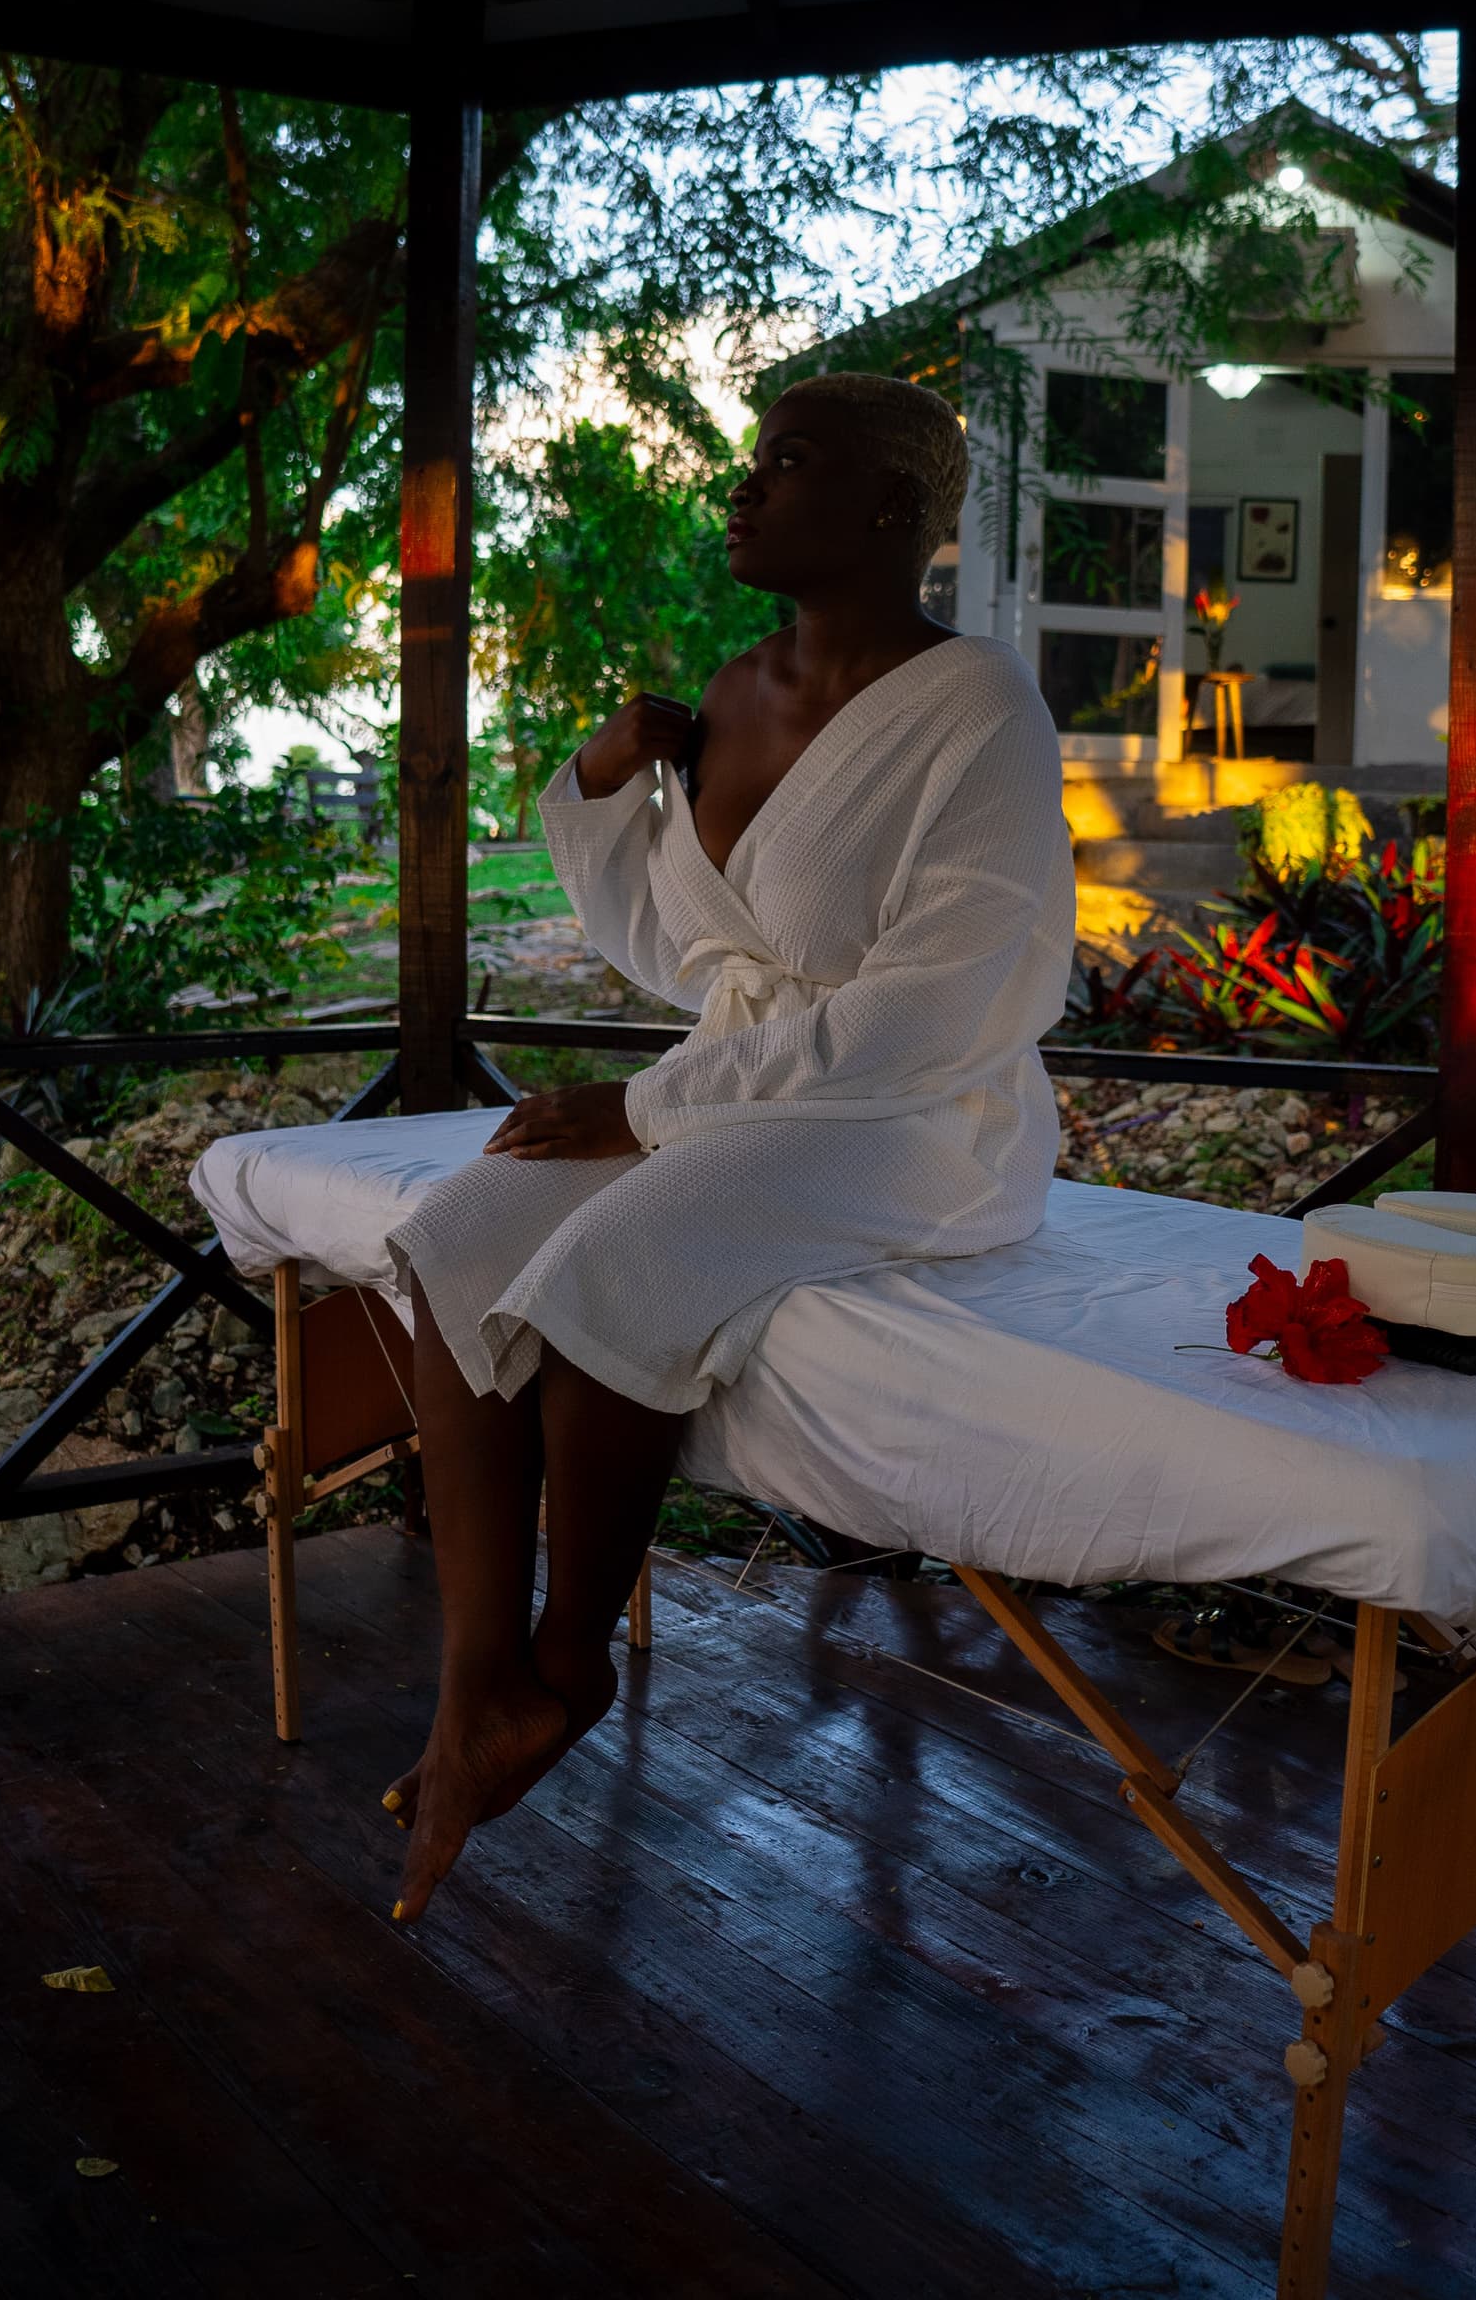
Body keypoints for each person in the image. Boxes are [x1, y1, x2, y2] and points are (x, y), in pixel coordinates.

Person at [380, 371, 1077, 1919]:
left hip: (914, 1113)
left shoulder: (982, 713)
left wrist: (642, 1112)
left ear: (894, 510)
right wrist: (613, 774)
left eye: (789, 464)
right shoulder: (737, 691)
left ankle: (570, 1667)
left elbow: (929, 1009)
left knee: (627, 1247)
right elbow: (672, 949)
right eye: (754, 462)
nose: (743, 487)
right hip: (746, 1076)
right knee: (454, 1236)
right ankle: (480, 1679)